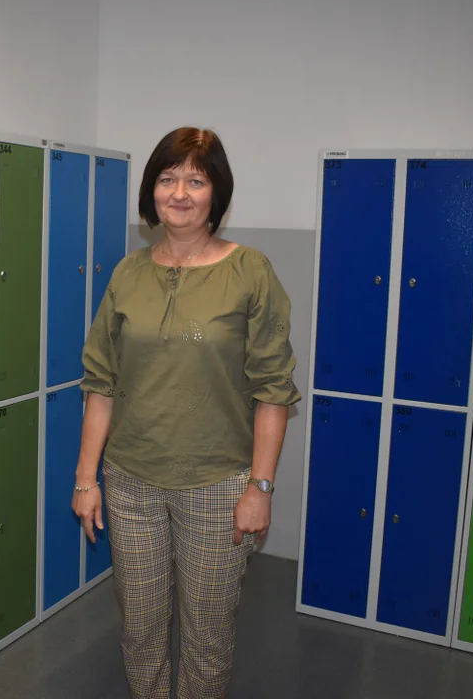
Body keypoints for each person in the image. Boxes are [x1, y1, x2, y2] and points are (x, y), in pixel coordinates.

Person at [71, 126, 301, 699]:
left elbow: (273, 391)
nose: (179, 193)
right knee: (141, 629)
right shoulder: (127, 274)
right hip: (130, 482)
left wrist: (260, 487)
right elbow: (101, 383)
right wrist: (86, 479)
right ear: (151, 190)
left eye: (195, 181)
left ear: (216, 192)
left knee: (208, 637)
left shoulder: (251, 271)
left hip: (218, 485)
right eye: (168, 179)